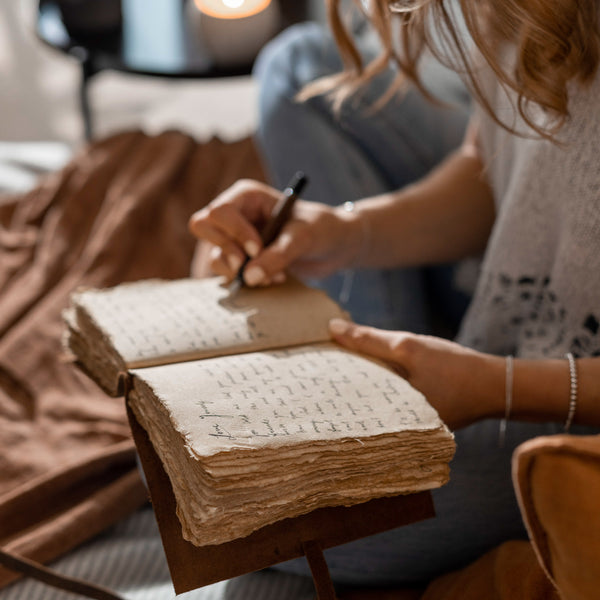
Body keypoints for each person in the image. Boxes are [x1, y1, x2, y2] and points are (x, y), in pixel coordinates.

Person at [188, 0, 600, 592]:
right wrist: (344, 231)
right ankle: (395, 383)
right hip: (507, 325)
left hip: (570, 410)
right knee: (298, 65)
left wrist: (495, 387)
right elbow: (500, 174)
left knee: (264, 526)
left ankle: (402, 395)